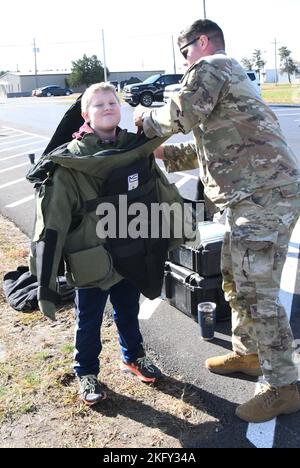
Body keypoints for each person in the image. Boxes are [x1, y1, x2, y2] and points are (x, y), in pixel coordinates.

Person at [134, 19, 300, 423]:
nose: (184, 60)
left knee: (258, 291)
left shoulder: (212, 66)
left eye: (185, 50)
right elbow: (209, 149)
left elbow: (178, 114)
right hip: (252, 198)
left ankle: (283, 387)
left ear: (202, 42)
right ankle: (250, 354)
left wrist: (142, 120)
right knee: (233, 276)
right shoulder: (225, 79)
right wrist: (161, 156)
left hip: (263, 197)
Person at [29, 82, 189, 406]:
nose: (106, 107)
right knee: (88, 321)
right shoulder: (69, 166)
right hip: (91, 263)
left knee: (128, 311)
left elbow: (160, 192)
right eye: (98, 104)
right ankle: (86, 372)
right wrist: (45, 286)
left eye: (112, 102)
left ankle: (134, 357)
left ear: (121, 109)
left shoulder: (135, 151)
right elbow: (52, 225)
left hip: (129, 254)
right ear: (85, 114)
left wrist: (180, 233)